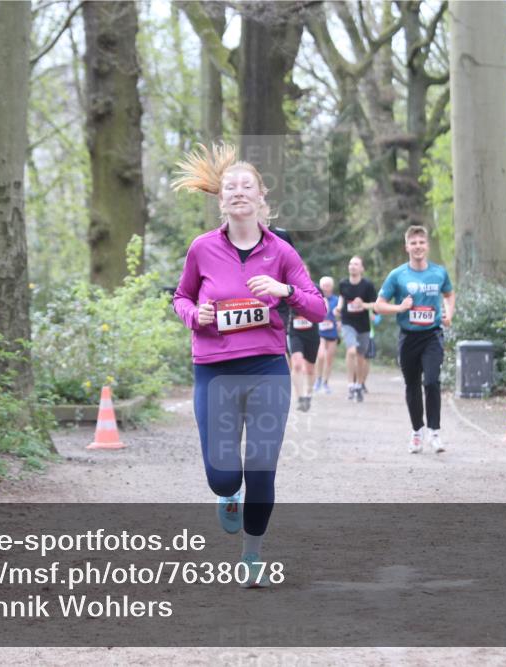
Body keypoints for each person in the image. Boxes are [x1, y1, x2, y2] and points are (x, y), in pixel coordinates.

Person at [171, 143, 325, 586]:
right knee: (223, 477)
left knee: (261, 467)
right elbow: (181, 296)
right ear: (221, 200)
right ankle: (226, 495)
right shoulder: (201, 249)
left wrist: (284, 291)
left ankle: (252, 551)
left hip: (265, 370)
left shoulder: (281, 252)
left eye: (247, 186)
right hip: (214, 369)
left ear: (261, 198)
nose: (239, 192)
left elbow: (317, 308)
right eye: (230, 187)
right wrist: (192, 315)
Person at [374, 225, 456, 454]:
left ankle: (435, 432)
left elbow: (449, 294)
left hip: (432, 335)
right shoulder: (397, 275)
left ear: (427, 246)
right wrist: (399, 307)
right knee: (412, 385)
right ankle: (417, 432)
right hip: (408, 337)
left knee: (431, 381)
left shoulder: (439, 273)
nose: (418, 247)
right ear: (407, 247)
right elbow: (379, 305)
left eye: (421, 242)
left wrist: (449, 313)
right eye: (413, 243)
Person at [334, 256, 377, 403]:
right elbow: (341, 298)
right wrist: (339, 308)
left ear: (362, 268)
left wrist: (363, 304)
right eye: (350, 263)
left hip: (363, 325)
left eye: (356, 264)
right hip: (347, 322)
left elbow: (375, 305)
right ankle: (350, 385)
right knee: (351, 351)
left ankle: (359, 385)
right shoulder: (343, 283)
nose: (352, 266)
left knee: (360, 357)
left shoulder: (368, 285)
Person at [288, 264, 321, 412]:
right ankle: (300, 397)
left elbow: (322, 307)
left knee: (310, 368)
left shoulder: (315, 288)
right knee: (296, 364)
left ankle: (308, 394)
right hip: (295, 331)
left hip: (312, 333)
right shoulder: (288, 288)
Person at [315, 276, 339, 395]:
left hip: (332, 332)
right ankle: (318, 379)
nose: (325, 288)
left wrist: (339, 319)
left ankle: (325, 382)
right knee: (320, 356)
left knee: (329, 359)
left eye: (327, 285)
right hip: (320, 332)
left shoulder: (337, 299)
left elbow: (340, 315)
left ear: (332, 287)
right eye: (323, 285)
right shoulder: (316, 298)